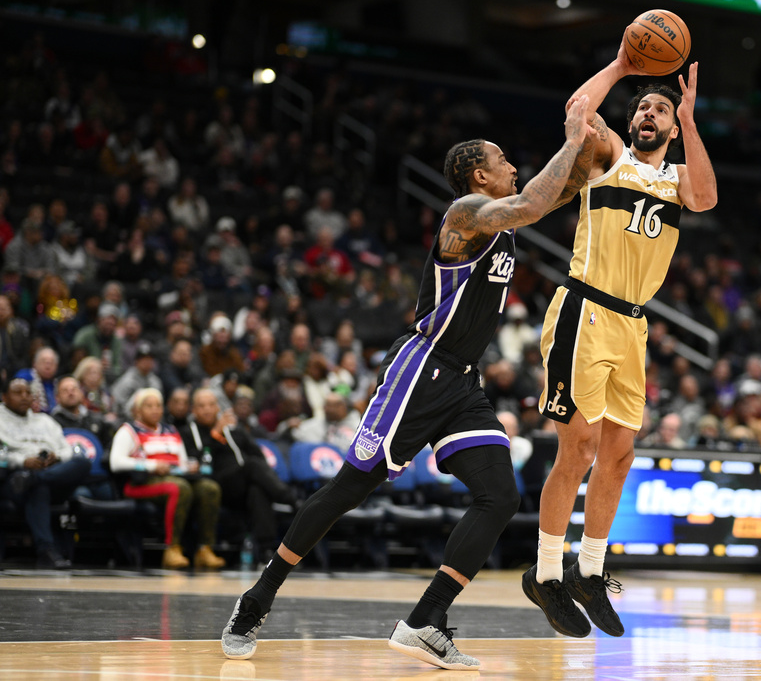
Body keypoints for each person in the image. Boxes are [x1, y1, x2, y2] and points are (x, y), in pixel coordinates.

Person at [220, 97, 595, 670]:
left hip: (462, 383)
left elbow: (559, 191)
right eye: (502, 160)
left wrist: (597, 152)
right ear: (479, 176)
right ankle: (256, 600)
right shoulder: (466, 214)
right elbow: (534, 202)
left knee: (500, 495)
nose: (513, 166)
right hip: (421, 371)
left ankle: (426, 620)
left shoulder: (505, 213)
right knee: (347, 491)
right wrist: (570, 141)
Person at [526, 35, 717, 639]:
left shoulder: (677, 177)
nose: (649, 114)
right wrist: (620, 67)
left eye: (660, 109)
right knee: (578, 448)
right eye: (643, 108)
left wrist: (690, 119)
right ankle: (545, 573)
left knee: (619, 454)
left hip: (632, 324)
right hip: (584, 308)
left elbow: (706, 197)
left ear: (671, 127)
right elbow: (578, 115)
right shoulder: (610, 157)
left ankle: (589, 571)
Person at [108, 387, 225, 570]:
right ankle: (172, 549)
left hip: (173, 477)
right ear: (138, 410)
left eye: (158, 406)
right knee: (179, 488)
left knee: (209, 488)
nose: (155, 410)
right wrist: (152, 465)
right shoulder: (128, 431)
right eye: (149, 406)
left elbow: (182, 460)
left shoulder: (170, 430)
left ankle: (205, 549)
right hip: (140, 483)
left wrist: (189, 466)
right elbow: (115, 462)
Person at [183, 389, 297, 564]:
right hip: (214, 485)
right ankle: (292, 502)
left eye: (211, 405)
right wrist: (215, 434)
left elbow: (258, 454)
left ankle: (266, 550)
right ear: (194, 410)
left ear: (218, 408)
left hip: (243, 482)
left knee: (257, 490)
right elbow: (196, 462)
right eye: (201, 406)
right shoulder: (188, 432)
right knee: (252, 466)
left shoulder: (235, 429)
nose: (207, 410)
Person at [0, 377, 91, 568]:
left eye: (28, 393)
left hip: (50, 473)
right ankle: (46, 550)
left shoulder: (45, 420)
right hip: (14, 478)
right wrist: (23, 461)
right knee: (38, 489)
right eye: (18, 393)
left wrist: (56, 457)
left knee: (82, 462)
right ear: (4, 397)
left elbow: (67, 450)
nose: (24, 397)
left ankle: (35, 478)